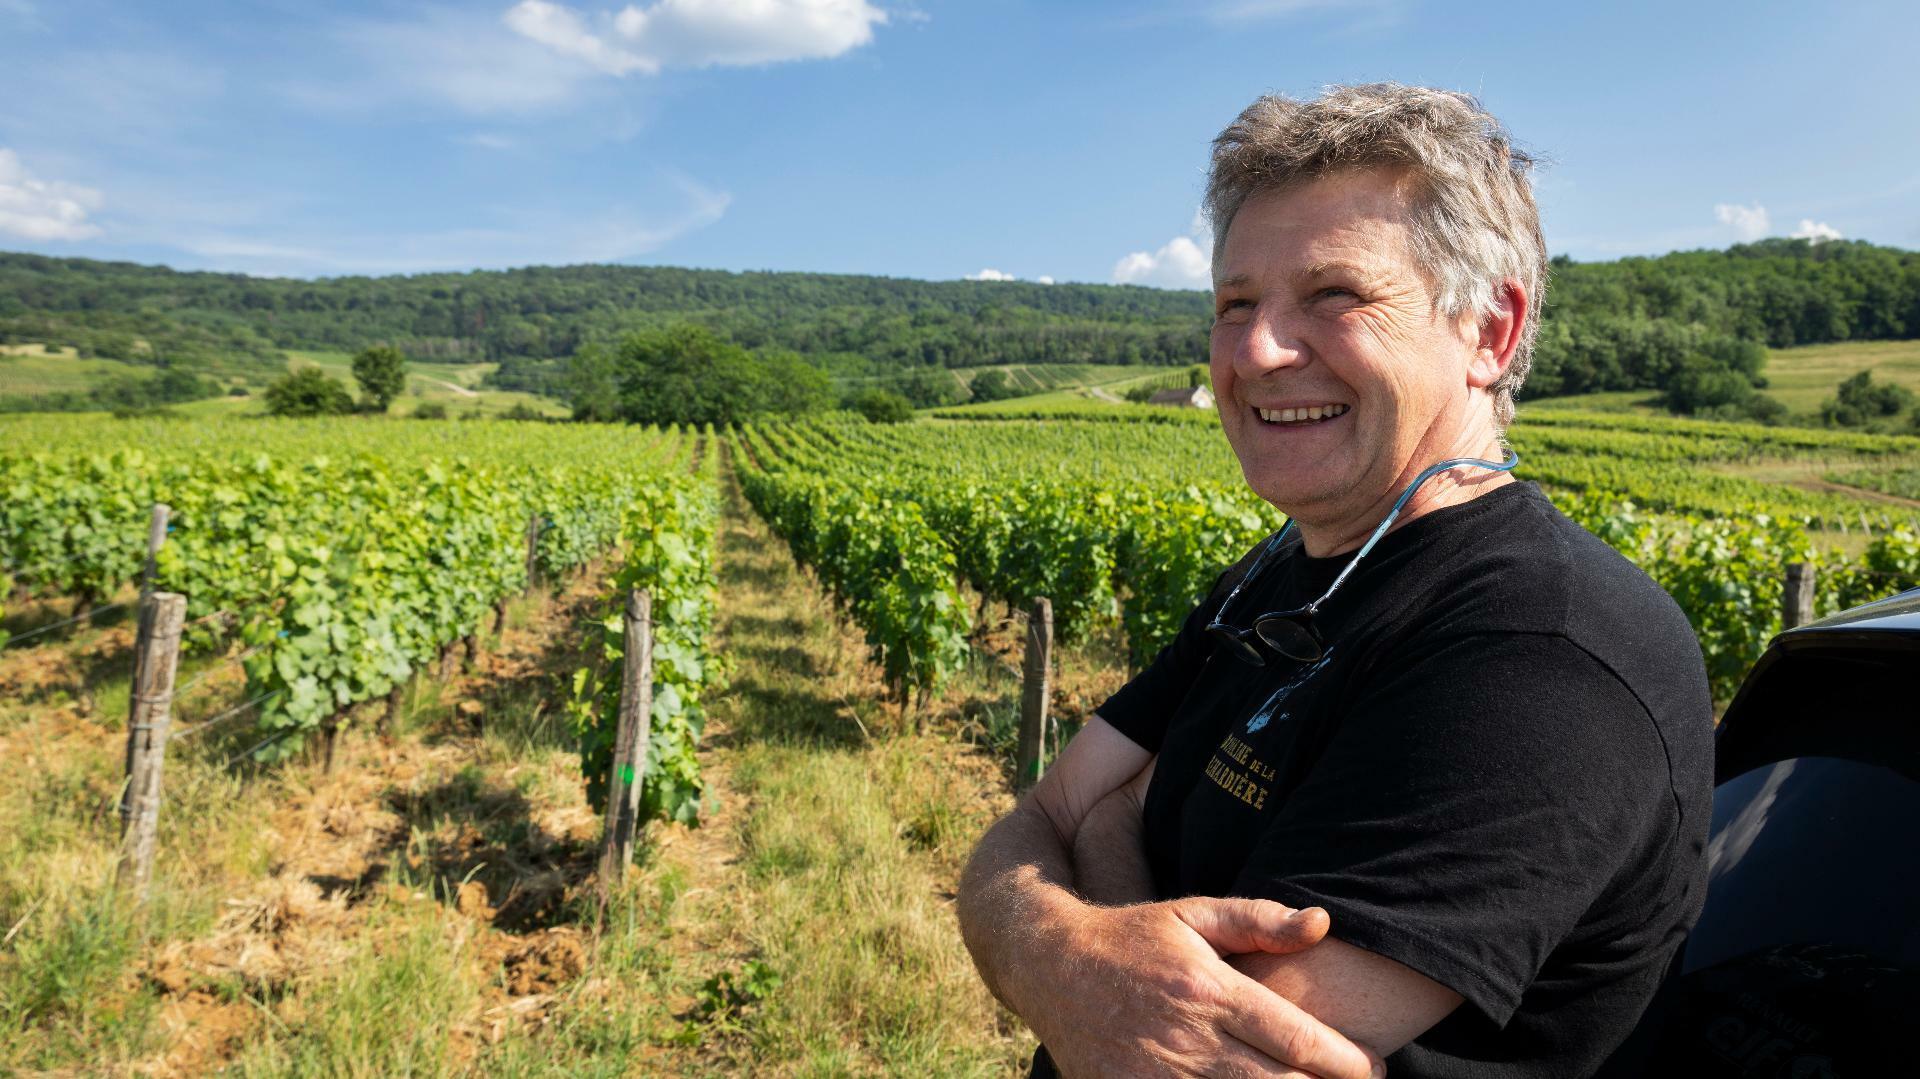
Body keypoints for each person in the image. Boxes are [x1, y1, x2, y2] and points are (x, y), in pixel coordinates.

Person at [956, 83, 1714, 1078]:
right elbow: (1053, 812)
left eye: (1335, 295)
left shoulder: (1541, 657)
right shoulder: (1282, 571)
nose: (1260, 350)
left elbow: (1188, 1056)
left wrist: (1074, 906)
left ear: (1489, 331)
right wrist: (1068, 949)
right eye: (1236, 303)